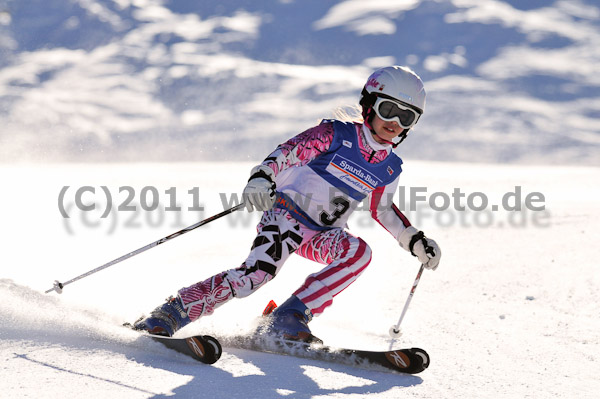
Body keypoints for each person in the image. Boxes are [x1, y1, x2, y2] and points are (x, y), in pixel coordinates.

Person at [134, 66, 441, 342]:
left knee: (358, 253)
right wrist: (263, 176)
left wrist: (414, 240)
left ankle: (289, 317)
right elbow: (290, 151)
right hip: (287, 218)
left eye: (406, 117)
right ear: (369, 105)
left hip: (323, 234)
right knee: (256, 275)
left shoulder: (389, 167)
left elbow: (383, 209)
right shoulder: (335, 134)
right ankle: (171, 312)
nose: (395, 122)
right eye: (388, 110)